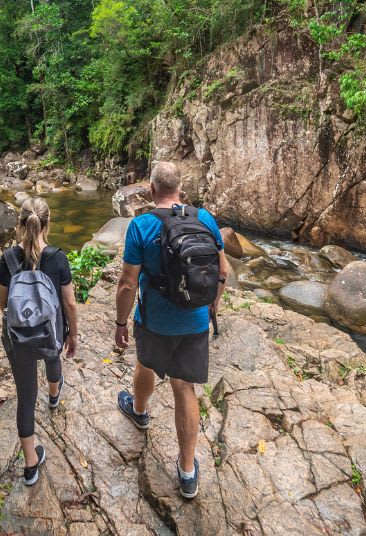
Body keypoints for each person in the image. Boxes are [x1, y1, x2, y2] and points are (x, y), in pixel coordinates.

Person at [113, 161, 226, 499]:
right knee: (184, 387)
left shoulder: (141, 226)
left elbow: (126, 283)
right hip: (194, 321)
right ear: (180, 187)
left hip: (155, 321)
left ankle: (140, 411)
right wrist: (213, 305)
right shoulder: (204, 219)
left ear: (150, 189)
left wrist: (121, 323)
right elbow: (222, 271)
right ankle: (188, 471)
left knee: (145, 364)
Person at [0, 197, 79, 486]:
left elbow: (3, 303)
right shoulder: (58, 257)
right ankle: (55, 394)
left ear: (20, 224)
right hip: (51, 330)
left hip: (19, 337)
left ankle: (31, 464)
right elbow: (69, 303)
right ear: (48, 223)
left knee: (26, 395)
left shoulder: (7, 258)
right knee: (53, 357)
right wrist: (73, 334)